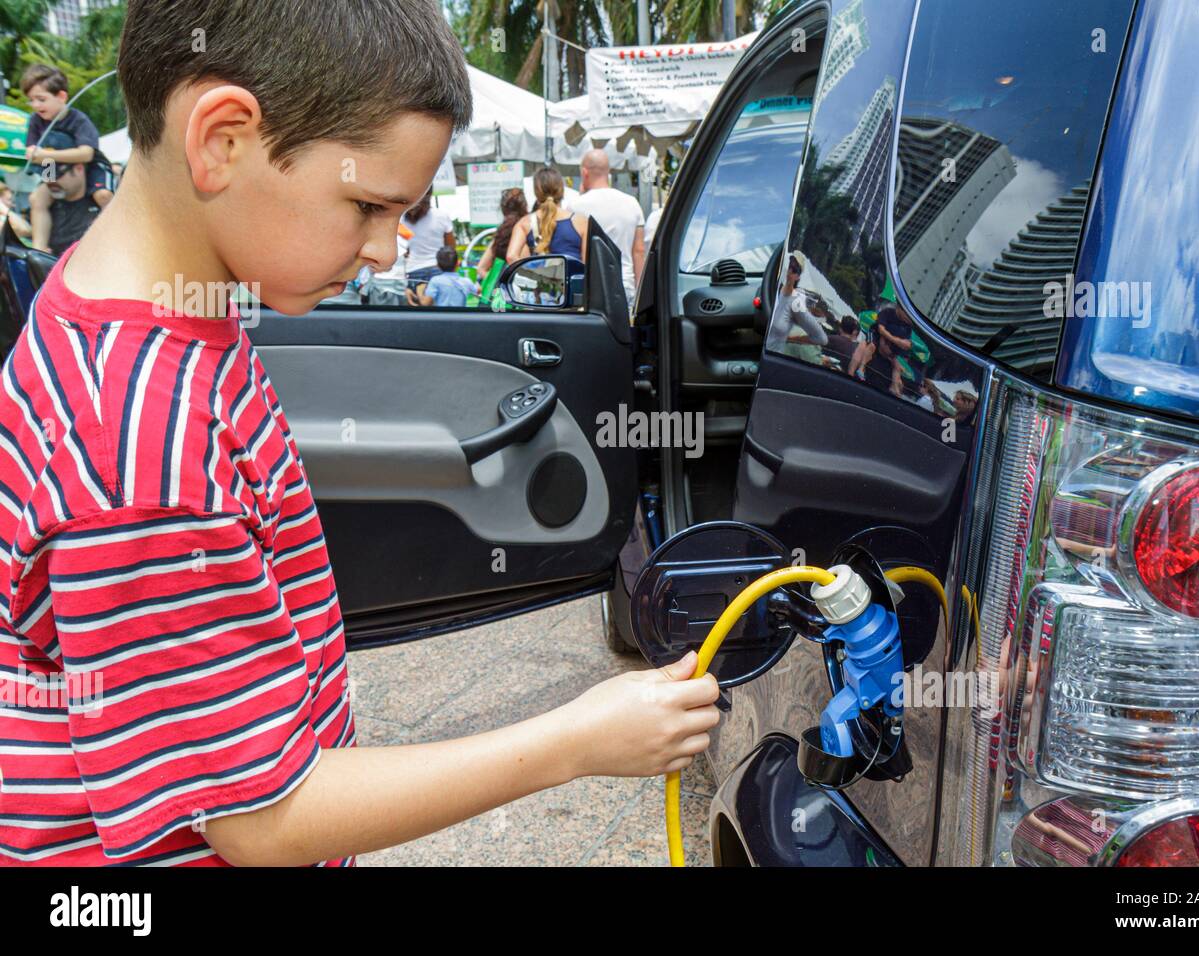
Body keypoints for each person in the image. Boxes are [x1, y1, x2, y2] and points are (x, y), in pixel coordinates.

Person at [0, 0, 718, 869]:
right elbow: (262, 820)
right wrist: (574, 742)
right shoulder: (142, 438)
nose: (389, 248)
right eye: (371, 204)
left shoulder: (134, 310)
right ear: (223, 140)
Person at [20, 64, 115, 253]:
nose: (36, 105)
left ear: (61, 96)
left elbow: (86, 153)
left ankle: (114, 239)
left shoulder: (78, 119)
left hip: (89, 166)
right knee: (36, 199)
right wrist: (36, 155)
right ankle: (39, 250)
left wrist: (46, 154)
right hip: (51, 166)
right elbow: (31, 150)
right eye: (31, 100)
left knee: (104, 196)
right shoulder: (35, 121)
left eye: (41, 99)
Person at [568, 148, 645, 306]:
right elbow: (639, 251)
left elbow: (575, 251)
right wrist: (641, 292)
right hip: (626, 284)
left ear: (584, 172)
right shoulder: (632, 203)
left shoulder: (575, 206)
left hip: (593, 287)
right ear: (608, 171)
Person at [3, 155, 105, 257]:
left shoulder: (100, 200)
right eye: (46, 177)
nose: (50, 182)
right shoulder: (42, 203)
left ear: (79, 169)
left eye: (56, 175)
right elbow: (23, 229)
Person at [507, 166, 588, 269]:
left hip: (540, 283)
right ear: (561, 189)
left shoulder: (525, 223)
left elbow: (511, 256)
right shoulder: (581, 221)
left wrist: (529, 273)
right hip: (574, 283)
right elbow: (588, 263)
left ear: (536, 192)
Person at [765, 251, 828, 351]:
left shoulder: (795, 303)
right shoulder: (772, 286)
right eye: (790, 265)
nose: (790, 271)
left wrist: (792, 339)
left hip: (771, 354)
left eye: (794, 269)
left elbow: (821, 338)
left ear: (798, 276)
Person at [402, 185, 455, 283]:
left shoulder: (403, 219)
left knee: (415, 298)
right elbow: (450, 247)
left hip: (413, 270)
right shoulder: (441, 216)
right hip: (438, 268)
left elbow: (404, 249)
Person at [476, 186, 528, 285]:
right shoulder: (525, 232)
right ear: (525, 207)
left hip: (499, 297)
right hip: (520, 296)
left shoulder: (500, 236)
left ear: (503, 209)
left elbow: (481, 268)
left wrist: (499, 285)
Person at [407, 246, 478, 307]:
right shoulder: (466, 281)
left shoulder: (435, 281)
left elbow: (426, 303)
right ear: (458, 263)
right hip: (461, 317)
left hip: (442, 317)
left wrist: (420, 290)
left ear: (437, 265)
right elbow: (477, 291)